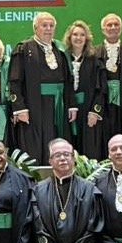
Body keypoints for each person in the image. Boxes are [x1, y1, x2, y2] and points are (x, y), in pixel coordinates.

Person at [10, 12, 74, 163]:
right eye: (44, 25)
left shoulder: (60, 49)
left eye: (51, 26)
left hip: (59, 104)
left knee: (58, 139)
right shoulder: (23, 48)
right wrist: (20, 108)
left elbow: (68, 80)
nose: (48, 29)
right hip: (34, 105)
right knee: (35, 144)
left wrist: (71, 105)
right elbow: (14, 81)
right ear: (35, 28)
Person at [95, 14, 122, 155]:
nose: (113, 27)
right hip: (102, 102)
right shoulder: (93, 53)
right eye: (109, 25)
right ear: (103, 29)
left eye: (116, 24)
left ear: (121, 28)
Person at [65, 20, 107, 159]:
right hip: (67, 111)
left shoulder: (95, 60)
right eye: (75, 34)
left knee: (90, 149)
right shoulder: (62, 58)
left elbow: (101, 89)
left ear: (87, 38)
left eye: (82, 35)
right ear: (69, 37)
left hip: (88, 110)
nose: (78, 38)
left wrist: (95, 111)